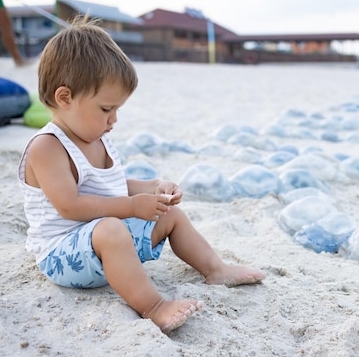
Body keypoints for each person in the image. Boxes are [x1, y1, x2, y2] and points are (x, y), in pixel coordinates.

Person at [18, 17, 266, 334]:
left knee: (170, 214)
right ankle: (154, 306)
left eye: (117, 110)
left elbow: (111, 187)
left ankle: (214, 268)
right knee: (110, 229)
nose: (114, 120)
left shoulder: (97, 137)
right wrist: (133, 207)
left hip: (106, 244)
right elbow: (71, 206)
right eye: (106, 109)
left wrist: (152, 188)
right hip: (64, 255)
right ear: (65, 98)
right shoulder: (47, 147)